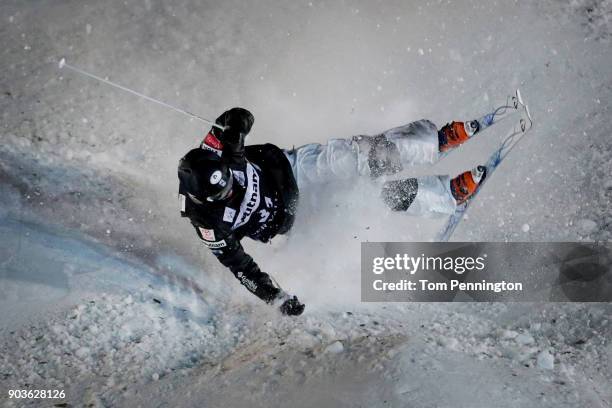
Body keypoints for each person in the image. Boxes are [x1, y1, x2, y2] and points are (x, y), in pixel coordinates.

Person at [178, 107, 486, 316]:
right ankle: (447, 194)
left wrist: (235, 129)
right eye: (223, 196)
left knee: (357, 157)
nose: (232, 191)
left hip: (292, 169)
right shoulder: (208, 224)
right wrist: (276, 297)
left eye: (230, 183)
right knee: (368, 200)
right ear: (204, 199)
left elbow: (239, 116)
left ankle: (435, 141)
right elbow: (240, 266)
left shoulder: (213, 150)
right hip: (293, 219)